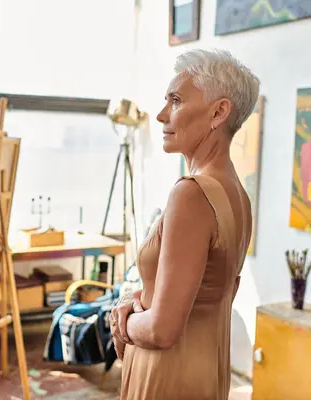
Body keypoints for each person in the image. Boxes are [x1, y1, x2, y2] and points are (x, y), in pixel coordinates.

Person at [108, 49, 259, 399]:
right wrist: (139, 299)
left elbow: (162, 330)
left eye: (175, 101)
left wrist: (121, 320)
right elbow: (200, 292)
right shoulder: (238, 194)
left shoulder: (191, 195)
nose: (161, 115)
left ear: (219, 112)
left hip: (169, 375)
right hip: (206, 368)